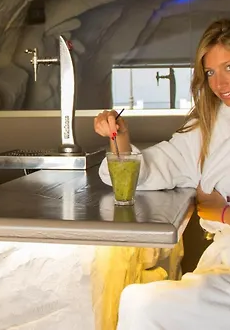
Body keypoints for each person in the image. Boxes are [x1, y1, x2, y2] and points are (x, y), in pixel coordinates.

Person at [94, 19, 230, 330]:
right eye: (210, 73)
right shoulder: (210, 127)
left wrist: (220, 210)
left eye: (229, 68)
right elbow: (149, 170)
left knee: (143, 305)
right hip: (222, 263)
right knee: (138, 301)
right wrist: (120, 136)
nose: (220, 84)